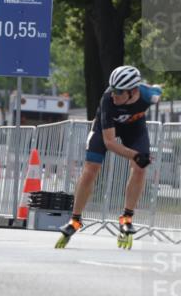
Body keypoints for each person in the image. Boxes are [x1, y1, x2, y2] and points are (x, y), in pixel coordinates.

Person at [55, 65, 161, 250]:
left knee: (139, 169)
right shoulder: (107, 100)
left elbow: (158, 89)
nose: (114, 95)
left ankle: (127, 217)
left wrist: (139, 159)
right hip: (106, 130)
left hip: (135, 129)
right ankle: (75, 220)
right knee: (90, 170)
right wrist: (136, 155)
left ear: (133, 91)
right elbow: (110, 142)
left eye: (119, 92)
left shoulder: (148, 95)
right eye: (113, 90)